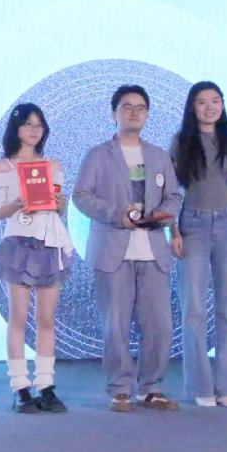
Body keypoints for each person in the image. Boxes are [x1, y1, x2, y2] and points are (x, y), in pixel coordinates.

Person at [72, 84, 182, 413]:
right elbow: (81, 196)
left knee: (159, 324)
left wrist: (164, 214)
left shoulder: (159, 155)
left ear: (147, 115)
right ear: (113, 114)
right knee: (115, 325)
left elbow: (174, 196)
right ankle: (120, 389)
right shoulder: (97, 154)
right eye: (126, 106)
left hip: (153, 250)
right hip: (112, 250)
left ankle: (151, 387)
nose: (134, 112)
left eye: (140, 107)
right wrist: (115, 214)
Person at [169, 81, 227, 408]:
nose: (210, 107)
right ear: (193, 107)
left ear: (222, 105)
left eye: (215, 101)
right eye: (202, 102)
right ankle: (201, 386)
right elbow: (172, 192)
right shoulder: (180, 142)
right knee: (193, 309)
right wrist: (174, 232)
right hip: (192, 224)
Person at [0, 103, 73, 414]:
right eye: (28, 124)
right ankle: (20, 387)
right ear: (16, 129)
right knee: (19, 317)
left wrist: (60, 203)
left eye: (39, 124)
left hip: (50, 243)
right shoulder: (3, 167)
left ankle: (46, 385)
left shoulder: (53, 165)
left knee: (47, 318)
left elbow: (60, 207)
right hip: (19, 243)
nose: (34, 130)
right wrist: (17, 202)